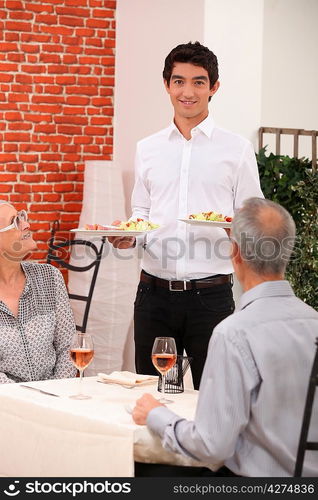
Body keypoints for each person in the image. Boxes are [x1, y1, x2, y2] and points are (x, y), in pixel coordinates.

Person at [109, 41, 263, 389]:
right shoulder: (147, 148)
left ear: (214, 88)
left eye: (198, 81)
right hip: (153, 296)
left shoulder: (236, 149)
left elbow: (254, 218)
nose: (187, 91)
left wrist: (235, 230)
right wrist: (129, 235)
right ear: (167, 85)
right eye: (178, 81)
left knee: (216, 398)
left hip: (210, 298)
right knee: (151, 399)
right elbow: (143, 213)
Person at [132, 197, 318, 477]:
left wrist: (157, 415)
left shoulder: (233, 333)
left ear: (236, 253)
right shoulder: (313, 322)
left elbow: (211, 446)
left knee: (140, 469)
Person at [0, 200, 77, 383]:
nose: (26, 224)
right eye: (15, 221)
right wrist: (29, 403)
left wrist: (56, 396)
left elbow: (68, 346)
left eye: (22, 217)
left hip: (55, 399)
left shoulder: (49, 278)